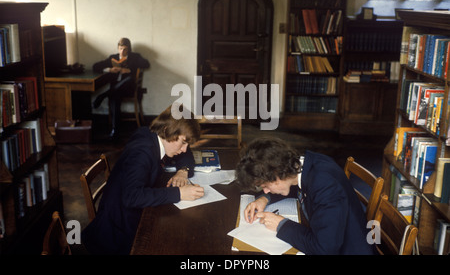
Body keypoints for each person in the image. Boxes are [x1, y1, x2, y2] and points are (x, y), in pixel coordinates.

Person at [81, 104, 205, 255]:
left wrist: (182, 171)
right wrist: (179, 193)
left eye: (187, 144)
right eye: (183, 143)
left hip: (129, 214)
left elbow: (185, 154)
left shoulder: (151, 134)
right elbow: (132, 197)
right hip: (117, 231)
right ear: (167, 131)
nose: (185, 149)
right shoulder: (142, 152)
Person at [235, 137, 377, 255]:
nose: (265, 190)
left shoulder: (326, 187)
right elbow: (296, 185)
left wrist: (280, 224)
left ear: (278, 174)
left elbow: (324, 249)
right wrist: (264, 199)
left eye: (265, 186)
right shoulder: (307, 165)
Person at [92, 38, 150, 138]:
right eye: (120, 49)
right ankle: (115, 131)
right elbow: (95, 66)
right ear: (118, 48)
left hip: (129, 89)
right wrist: (109, 69)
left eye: (125, 49)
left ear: (129, 50)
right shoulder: (113, 58)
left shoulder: (134, 57)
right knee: (115, 95)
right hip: (116, 90)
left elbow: (146, 64)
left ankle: (103, 95)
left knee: (129, 79)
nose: (122, 52)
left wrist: (128, 69)